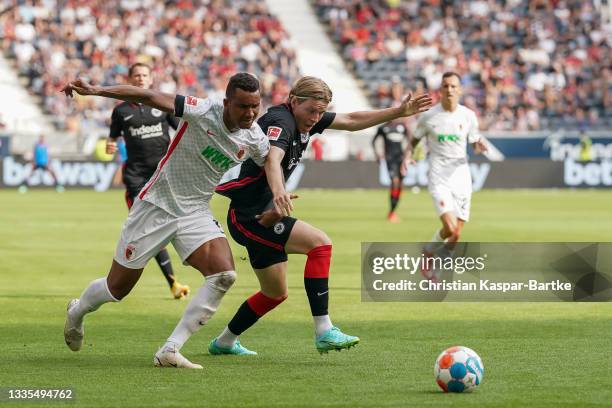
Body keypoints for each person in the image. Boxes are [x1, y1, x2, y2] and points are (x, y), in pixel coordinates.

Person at [61, 72, 276, 369]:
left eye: (256, 106)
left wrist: (279, 194)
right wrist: (97, 90)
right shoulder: (202, 110)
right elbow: (149, 96)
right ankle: (77, 311)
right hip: (156, 206)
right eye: (243, 106)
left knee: (224, 275)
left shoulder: (254, 137)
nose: (251, 113)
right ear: (227, 103)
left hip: (195, 211)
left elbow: (272, 163)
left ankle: (170, 349)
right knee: (117, 289)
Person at [210, 76, 432, 355]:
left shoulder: (304, 117)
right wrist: (279, 193)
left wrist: (398, 112)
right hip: (250, 215)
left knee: (274, 294)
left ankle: (224, 342)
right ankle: (324, 330)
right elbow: (273, 159)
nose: (316, 118)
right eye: (311, 111)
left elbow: (351, 120)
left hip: (264, 214)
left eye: (320, 112)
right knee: (320, 244)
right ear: (293, 101)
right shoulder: (282, 122)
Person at [106, 63, 190, 300]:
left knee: (174, 222)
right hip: (135, 177)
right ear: (130, 79)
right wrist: (110, 144)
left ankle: (181, 277)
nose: (141, 79)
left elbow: (182, 129)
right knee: (148, 227)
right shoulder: (121, 111)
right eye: (137, 75)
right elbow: (112, 139)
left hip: (162, 175)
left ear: (150, 79)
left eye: (145, 75)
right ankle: (173, 282)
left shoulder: (162, 105)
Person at [407, 72, 487, 276]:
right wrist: (409, 155)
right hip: (438, 175)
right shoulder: (428, 117)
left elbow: (475, 140)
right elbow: (415, 140)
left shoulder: (468, 115)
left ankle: (435, 265)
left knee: (456, 234)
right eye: (445, 86)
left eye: (453, 86)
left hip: (461, 176)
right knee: (450, 228)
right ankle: (428, 253)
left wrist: (479, 144)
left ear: (460, 90)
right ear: (440, 90)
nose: (449, 90)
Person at [372, 119, 411, 223]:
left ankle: (393, 211)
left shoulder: (402, 127)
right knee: (395, 182)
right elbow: (373, 141)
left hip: (400, 159)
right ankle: (392, 213)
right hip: (390, 159)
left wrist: (409, 155)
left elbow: (410, 141)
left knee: (400, 185)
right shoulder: (383, 128)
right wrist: (377, 154)